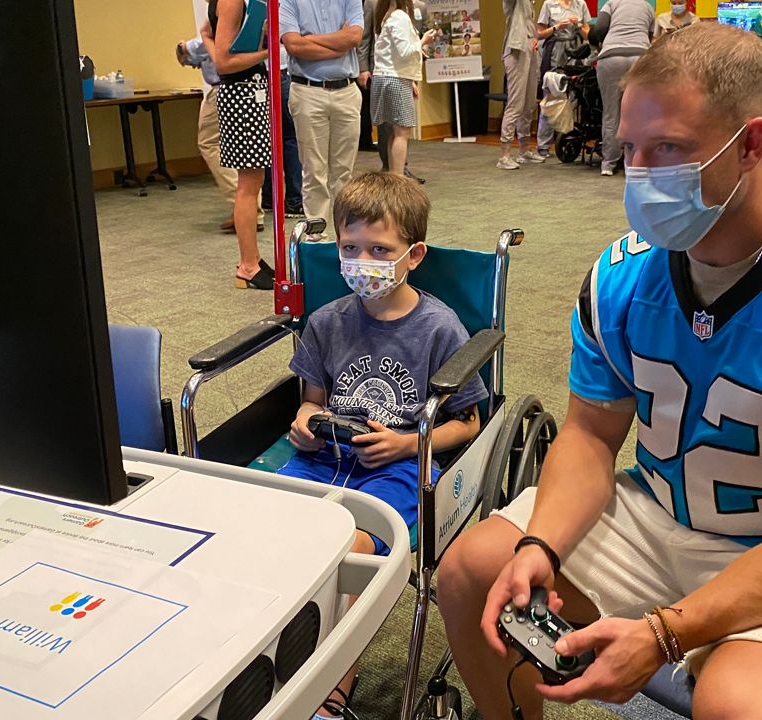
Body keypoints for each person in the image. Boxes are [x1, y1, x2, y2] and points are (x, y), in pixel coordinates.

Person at [438, 23, 762, 719]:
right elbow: (591, 439)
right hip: (661, 512)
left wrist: (665, 633)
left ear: (751, 143)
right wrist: (541, 541)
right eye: (632, 148)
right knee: (476, 570)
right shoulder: (622, 276)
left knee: (743, 705)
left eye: (669, 150)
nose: (641, 173)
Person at [279, 171, 487, 717]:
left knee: (346, 555)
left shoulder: (440, 329)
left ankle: (330, 692)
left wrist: (405, 445)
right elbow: (310, 399)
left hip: (398, 468)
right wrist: (305, 421)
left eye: (379, 249)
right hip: (325, 456)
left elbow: (467, 424)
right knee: (276, 531)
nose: (361, 261)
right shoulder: (327, 322)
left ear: (413, 254)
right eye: (350, 248)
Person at [204, 0, 273, 289]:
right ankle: (248, 264)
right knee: (249, 184)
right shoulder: (232, 1)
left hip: (244, 92)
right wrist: (268, 53)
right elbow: (224, 61)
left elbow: (206, 32)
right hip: (243, 94)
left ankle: (252, 258)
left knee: (252, 182)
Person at [281, 0, 364, 227]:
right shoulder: (289, 2)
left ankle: (345, 232)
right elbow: (294, 46)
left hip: (346, 91)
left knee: (344, 172)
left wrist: (308, 39)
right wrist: (339, 41)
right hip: (307, 92)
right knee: (313, 171)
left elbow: (354, 37)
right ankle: (316, 235)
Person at [177, 31, 265, 234]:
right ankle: (249, 206)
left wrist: (183, 46)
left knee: (209, 143)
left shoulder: (224, 13)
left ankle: (243, 204)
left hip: (227, 89)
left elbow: (188, 50)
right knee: (249, 155)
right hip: (250, 87)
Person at [359, 0, 429, 183]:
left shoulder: (385, 16)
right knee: (402, 133)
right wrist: (424, 41)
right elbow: (405, 51)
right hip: (395, 80)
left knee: (392, 132)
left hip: (385, 77)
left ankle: (393, 175)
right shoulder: (400, 17)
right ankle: (399, 179)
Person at [588, 0, 655, 176]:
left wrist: (604, 43)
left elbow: (600, 28)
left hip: (611, 57)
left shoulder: (611, 3)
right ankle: (634, 163)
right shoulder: (648, 7)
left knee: (611, 112)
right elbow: (649, 36)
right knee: (638, 114)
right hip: (639, 57)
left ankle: (608, 164)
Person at [535, 0, 590, 158]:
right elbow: (539, 33)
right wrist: (557, 27)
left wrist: (579, 25)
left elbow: (588, 33)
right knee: (551, 96)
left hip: (576, 51)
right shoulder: (549, 4)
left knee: (575, 96)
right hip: (555, 52)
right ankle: (543, 146)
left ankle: (568, 141)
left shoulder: (580, 4)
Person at [261, 43, 306, 220]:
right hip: (278, 72)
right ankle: (294, 200)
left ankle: (269, 197)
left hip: (257, 75)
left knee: (266, 139)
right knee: (291, 138)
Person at [498, 0, 543, 170]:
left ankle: (524, 150)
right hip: (516, 50)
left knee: (529, 103)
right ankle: (504, 155)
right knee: (515, 104)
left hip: (530, 48)